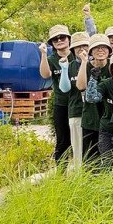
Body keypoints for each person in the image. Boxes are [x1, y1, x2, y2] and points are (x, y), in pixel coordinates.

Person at [39, 24, 74, 164]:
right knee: (62, 140)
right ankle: (61, 171)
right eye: (55, 39)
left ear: (69, 39)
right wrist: (43, 54)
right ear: (52, 43)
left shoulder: (76, 55)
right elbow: (45, 74)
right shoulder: (52, 59)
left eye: (62, 37)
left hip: (79, 104)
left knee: (80, 138)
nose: (59, 40)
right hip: (61, 104)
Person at [76, 34, 113, 163]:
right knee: (90, 158)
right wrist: (84, 62)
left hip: (109, 117)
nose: (100, 50)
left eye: (104, 47)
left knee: (110, 157)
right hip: (91, 116)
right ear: (91, 51)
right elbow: (81, 86)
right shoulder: (86, 66)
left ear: (109, 50)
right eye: (97, 47)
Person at [59, 32, 89, 168]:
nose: (82, 49)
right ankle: (79, 175)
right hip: (76, 112)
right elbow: (64, 88)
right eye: (78, 47)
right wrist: (64, 69)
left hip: (95, 114)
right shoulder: (70, 66)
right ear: (73, 49)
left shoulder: (95, 64)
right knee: (78, 149)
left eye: (85, 45)